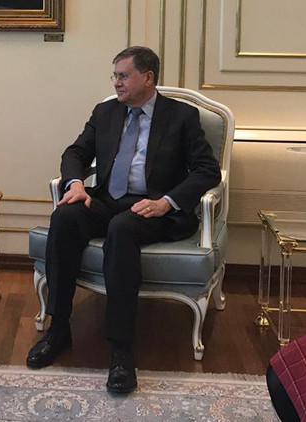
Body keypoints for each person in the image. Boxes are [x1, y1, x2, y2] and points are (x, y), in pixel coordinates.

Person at [25, 46, 221, 394]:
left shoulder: (181, 116)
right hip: (107, 199)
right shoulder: (105, 112)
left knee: (122, 228)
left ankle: (120, 350)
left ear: (148, 78)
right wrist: (75, 184)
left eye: (123, 76)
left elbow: (207, 170)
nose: (116, 82)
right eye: (114, 76)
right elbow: (75, 152)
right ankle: (58, 329)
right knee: (65, 216)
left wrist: (166, 202)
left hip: (153, 207)